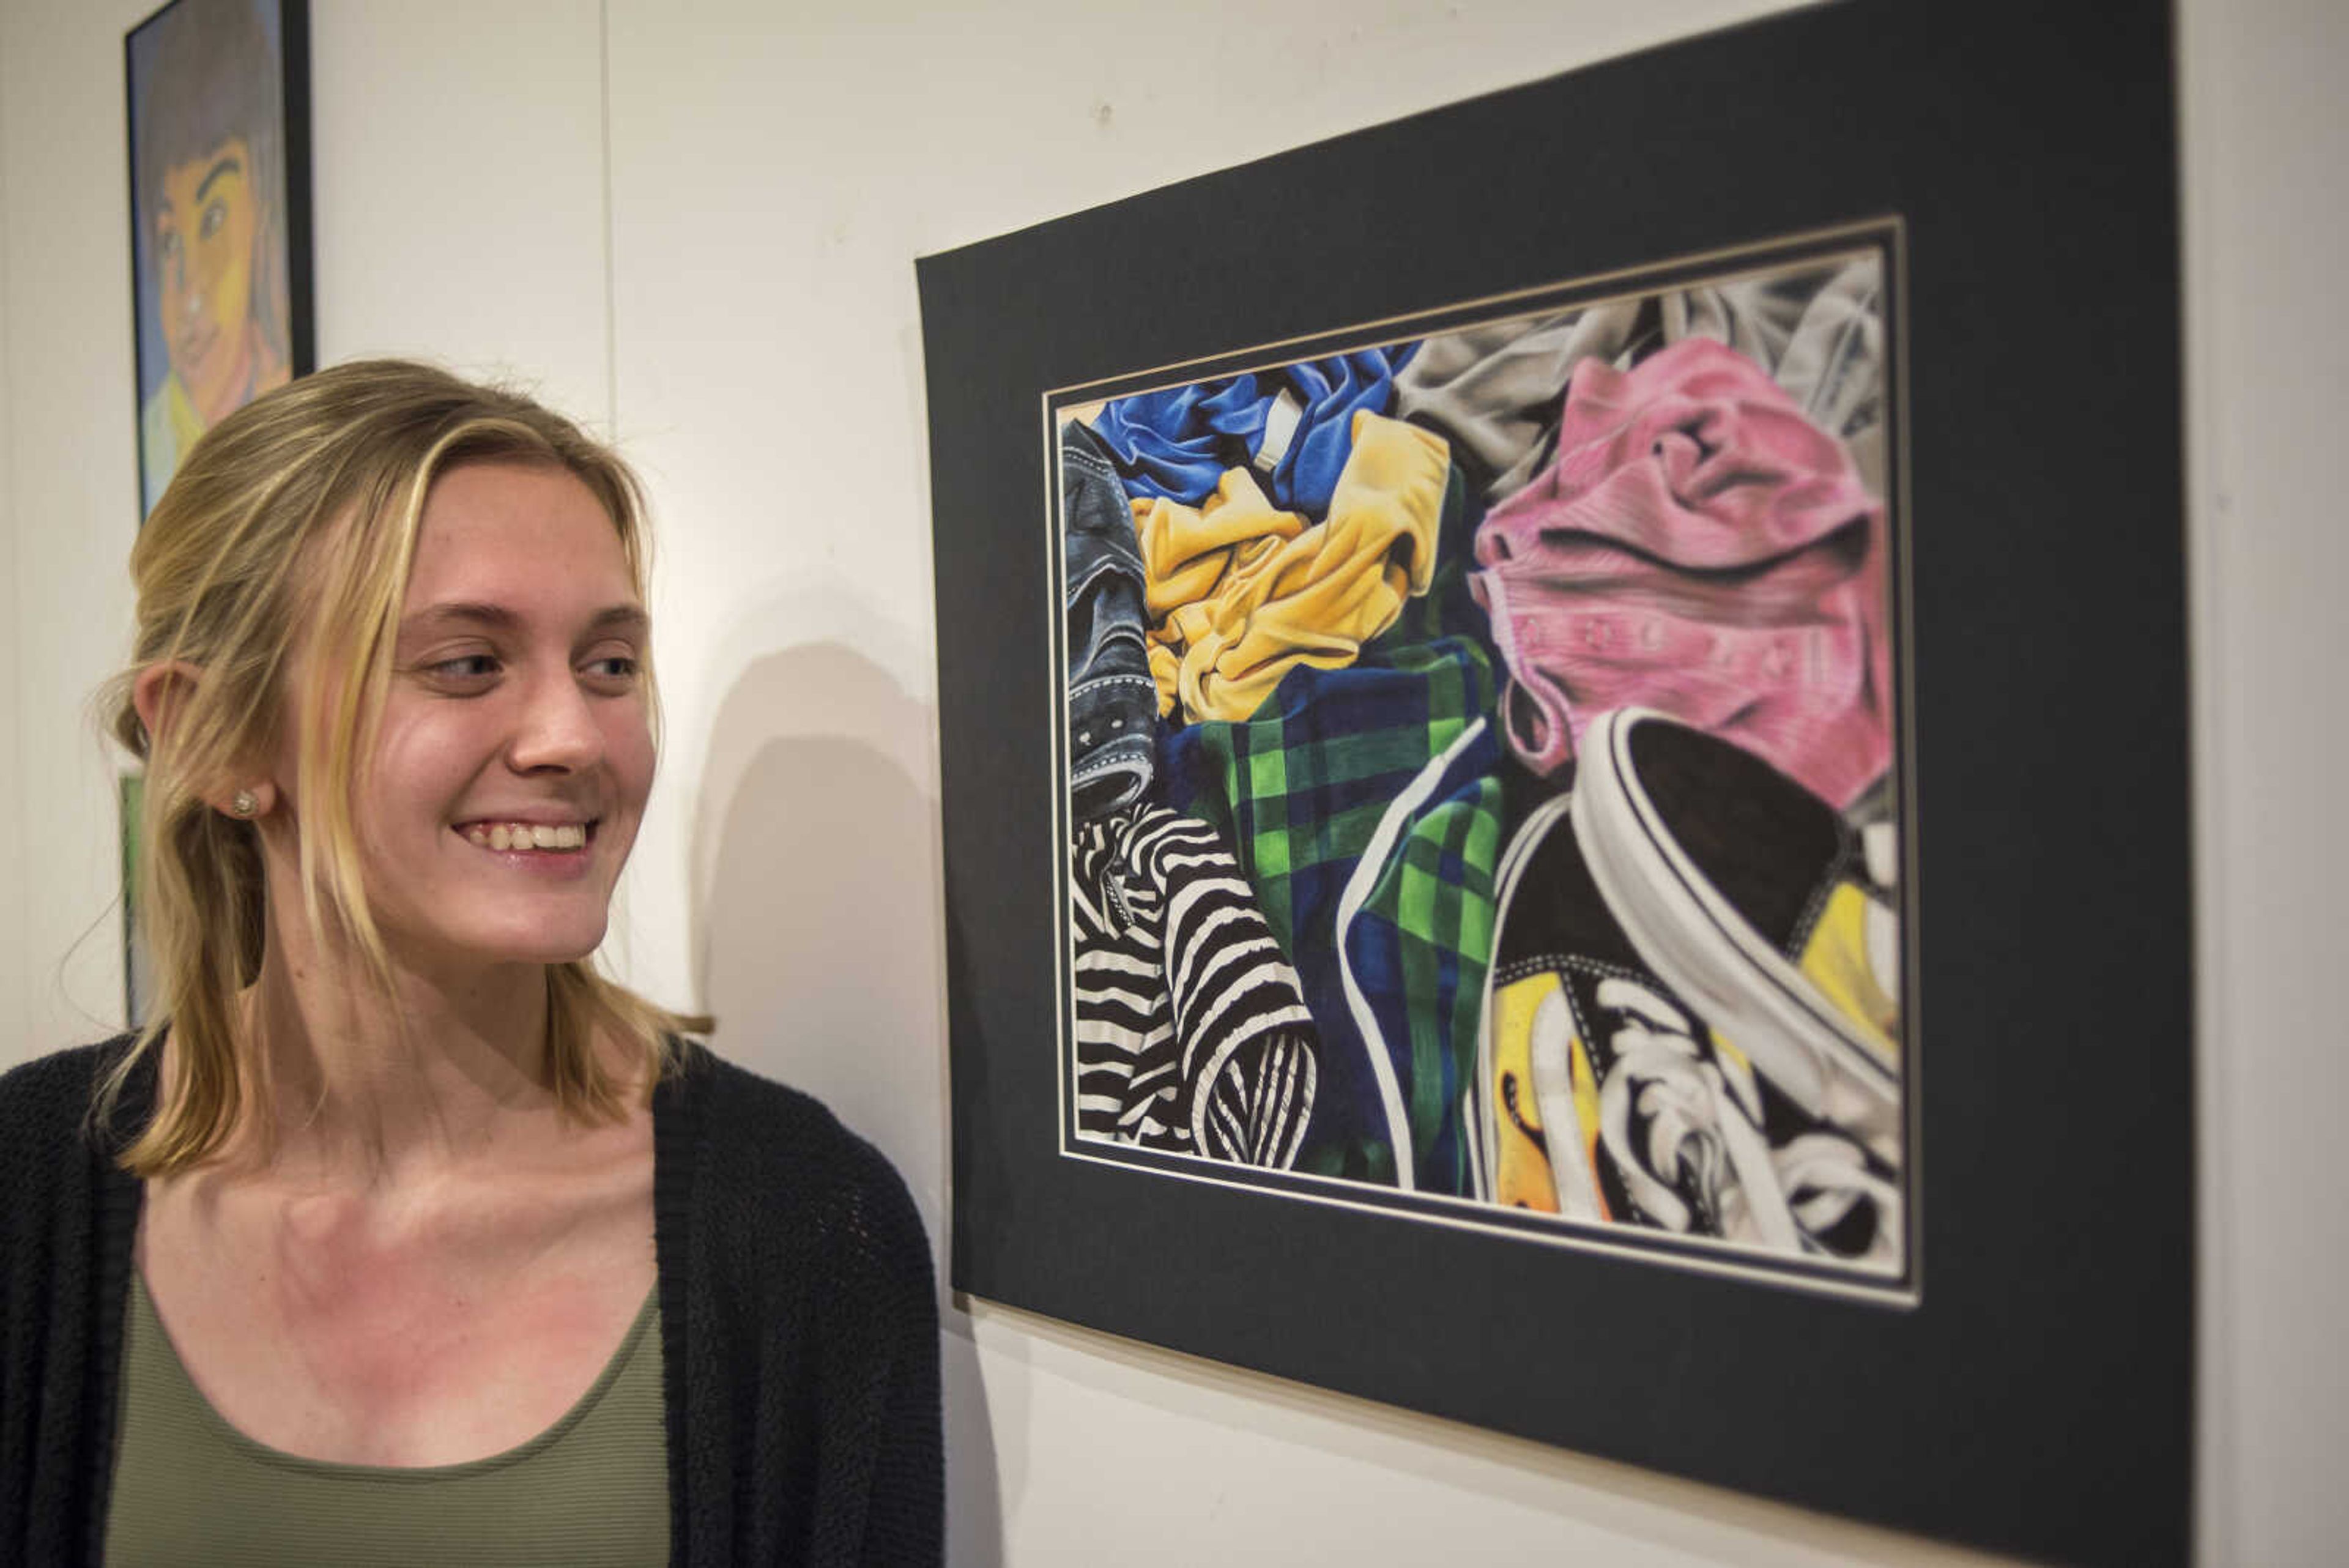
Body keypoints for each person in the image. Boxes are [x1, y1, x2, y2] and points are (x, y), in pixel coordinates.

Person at [0, 360, 943, 1564]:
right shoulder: (30, 1196)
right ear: (212, 734)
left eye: (607, 666)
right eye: (466, 664)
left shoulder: (807, 1228)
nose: (573, 738)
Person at [133, 0, 295, 513]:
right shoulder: (159, 440)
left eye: (214, 221)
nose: (190, 293)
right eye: (169, 242)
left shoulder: (300, 437)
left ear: (263, 215)